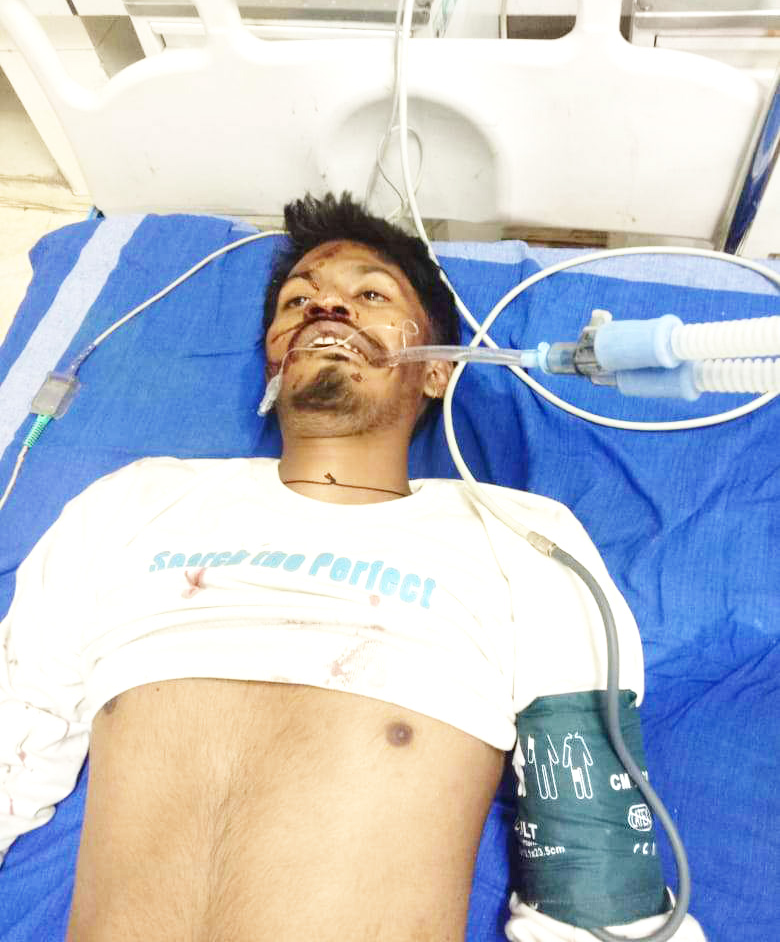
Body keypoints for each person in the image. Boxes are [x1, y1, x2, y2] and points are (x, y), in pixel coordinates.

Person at [0, 193, 705, 942]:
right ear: (274, 358)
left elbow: (597, 873)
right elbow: (18, 729)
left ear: (437, 371)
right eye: (298, 300)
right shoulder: (134, 502)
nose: (325, 307)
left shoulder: (521, 537)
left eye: (370, 295)